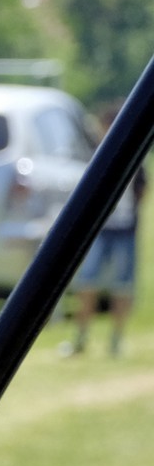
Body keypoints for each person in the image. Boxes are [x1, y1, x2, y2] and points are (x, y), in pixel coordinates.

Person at [62, 101, 144, 358]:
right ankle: (81, 338)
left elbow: (141, 189)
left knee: (122, 286)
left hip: (124, 230)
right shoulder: (94, 155)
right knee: (87, 283)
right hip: (98, 230)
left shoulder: (134, 153)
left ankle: (116, 340)